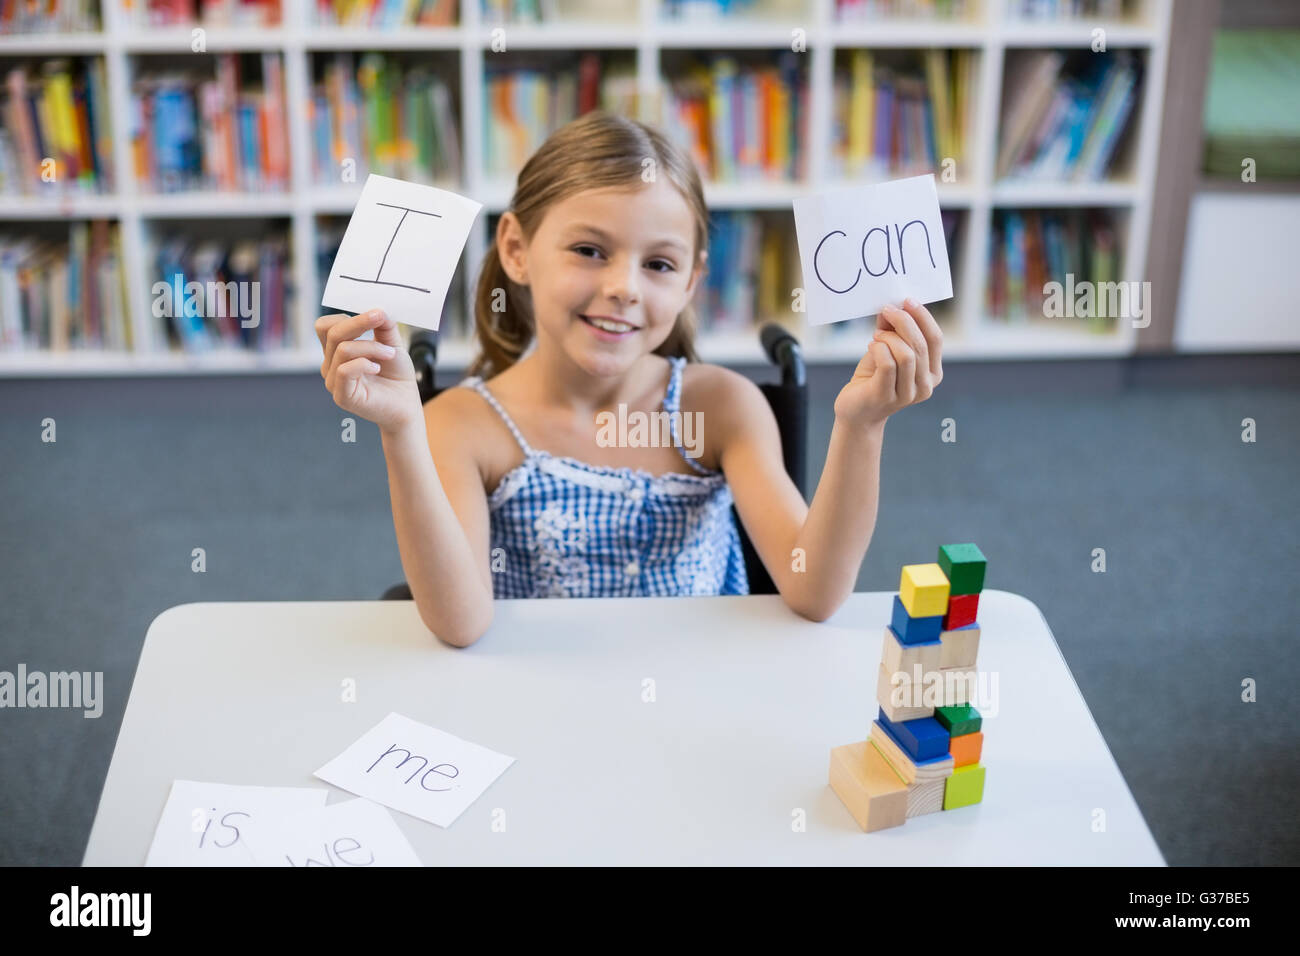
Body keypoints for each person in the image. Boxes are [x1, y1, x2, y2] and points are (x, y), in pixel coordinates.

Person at [317, 111, 943, 646]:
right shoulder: (460, 424)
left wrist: (862, 425)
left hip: (698, 708)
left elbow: (814, 593)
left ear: (692, 281)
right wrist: (402, 430)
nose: (623, 288)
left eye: (659, 264)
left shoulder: (723, 406)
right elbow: (461, 624)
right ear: (515, 249)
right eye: (589, 250)